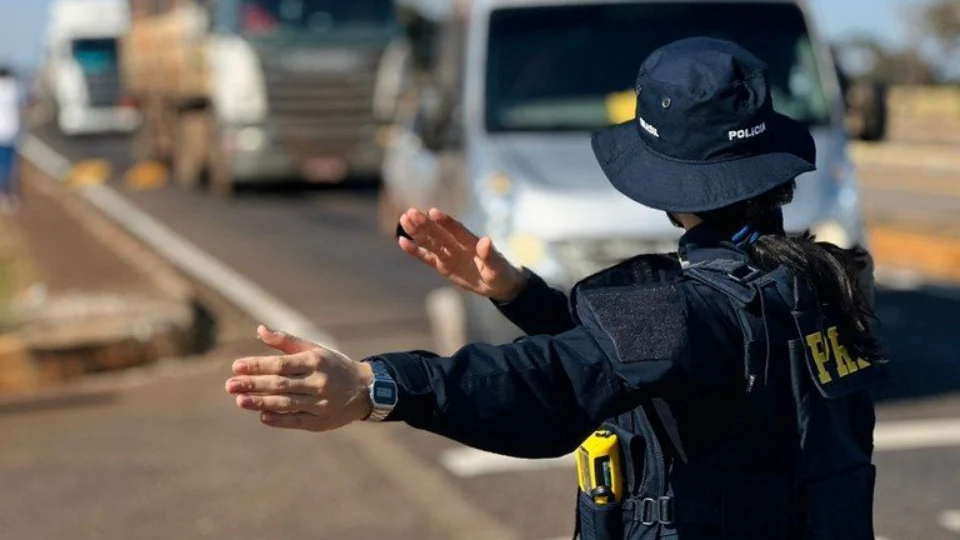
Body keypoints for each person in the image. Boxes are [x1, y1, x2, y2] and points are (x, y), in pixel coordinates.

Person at [225, 38, 884, 539]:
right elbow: (646, 365)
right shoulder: (824, 280)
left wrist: (377, 387)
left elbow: (555, 384)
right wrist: (519, 294)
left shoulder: (692, 308)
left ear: (668, 186)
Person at [0, 66, 21, 212]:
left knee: (5, 165)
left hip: (6, 133)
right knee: (9, 165)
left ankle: (5, 195)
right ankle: (7, 195)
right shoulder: (14, 88)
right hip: (11, 132)